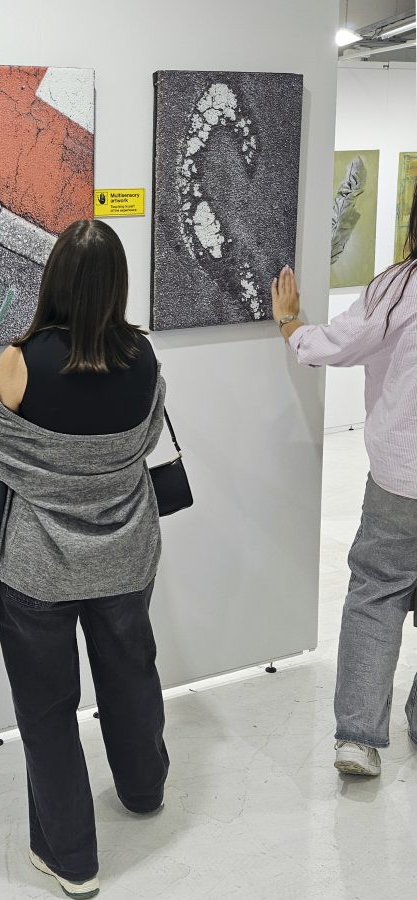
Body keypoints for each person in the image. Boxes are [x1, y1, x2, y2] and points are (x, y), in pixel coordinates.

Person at [0, 219, 169, 898]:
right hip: (126, 555)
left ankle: (72, 859)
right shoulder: (143, 356)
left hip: (38, 567)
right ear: (117, 285)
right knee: (132, 676)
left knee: (48, 709)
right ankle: (143, 790)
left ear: (53, 279)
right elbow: (146, 439)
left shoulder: (21, 361)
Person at [271, 184, 417, 778]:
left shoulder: (399, 288)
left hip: (401, 476)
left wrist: (291, 326)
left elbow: (337, 344)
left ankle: (357, 739)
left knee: (375, 594)